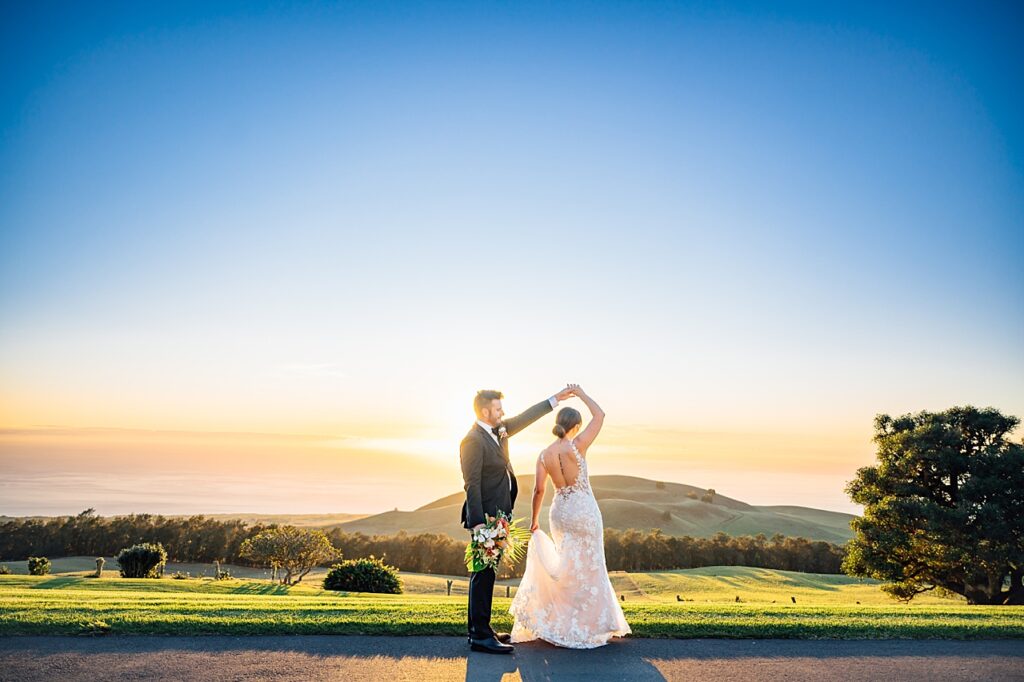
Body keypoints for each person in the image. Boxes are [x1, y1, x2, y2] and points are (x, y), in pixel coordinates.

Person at [508, 384, 632, 648]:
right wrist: (583, 394)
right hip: (584, 511)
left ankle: (561, 620)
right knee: (590, 566)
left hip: (560, 513)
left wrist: (533, 520)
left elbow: (539, 490)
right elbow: (600, 416)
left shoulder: (544, 455)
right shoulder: (578, 445)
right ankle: (589, 624)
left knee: (566, 567)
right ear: (575, 426)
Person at [460, 385, 575, 654]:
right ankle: (478, 636)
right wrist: (478, 524)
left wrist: (554, 400)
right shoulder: (473, 440)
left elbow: (524, 417)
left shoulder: (497, 431)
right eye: (499, 409)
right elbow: (471, 484)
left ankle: (481, 629)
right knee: (482, 574)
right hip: (485, 519)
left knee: (487, 573)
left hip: (499, 516)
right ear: (486, 411)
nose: (503, 413)